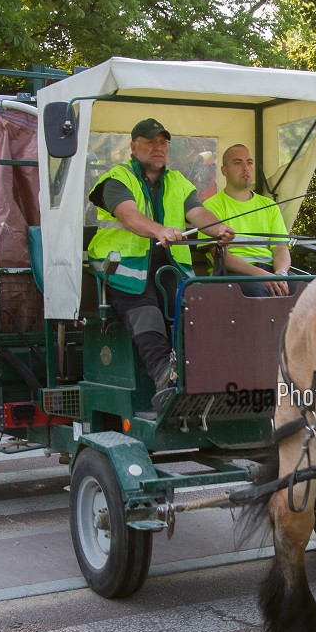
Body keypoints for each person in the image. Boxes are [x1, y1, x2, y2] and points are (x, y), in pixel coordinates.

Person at [87, 118, 234, 415]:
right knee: (148, 312)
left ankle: (203, 376)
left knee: (195, 308)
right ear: (133, 146)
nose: (158, 148)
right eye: (150, 141)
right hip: (122, 270)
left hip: (170, 269)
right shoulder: (117, 179)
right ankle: (165, 379)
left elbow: (198, 212)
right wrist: (159, 230)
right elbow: (129, 216)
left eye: (163, 142)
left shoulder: (178, 181)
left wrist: (219, 229)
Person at [203, 144, 292, 297]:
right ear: (224, 170)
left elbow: (280, 248)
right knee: (258, 292)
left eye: (249, 162)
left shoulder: (269, 206)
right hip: (232, 275)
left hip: (269, 273)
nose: (246, 168)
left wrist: (281, 275)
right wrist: (262, 276)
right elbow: (219, 255)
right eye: (238, 162)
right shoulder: (210, 207)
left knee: (306, 289)